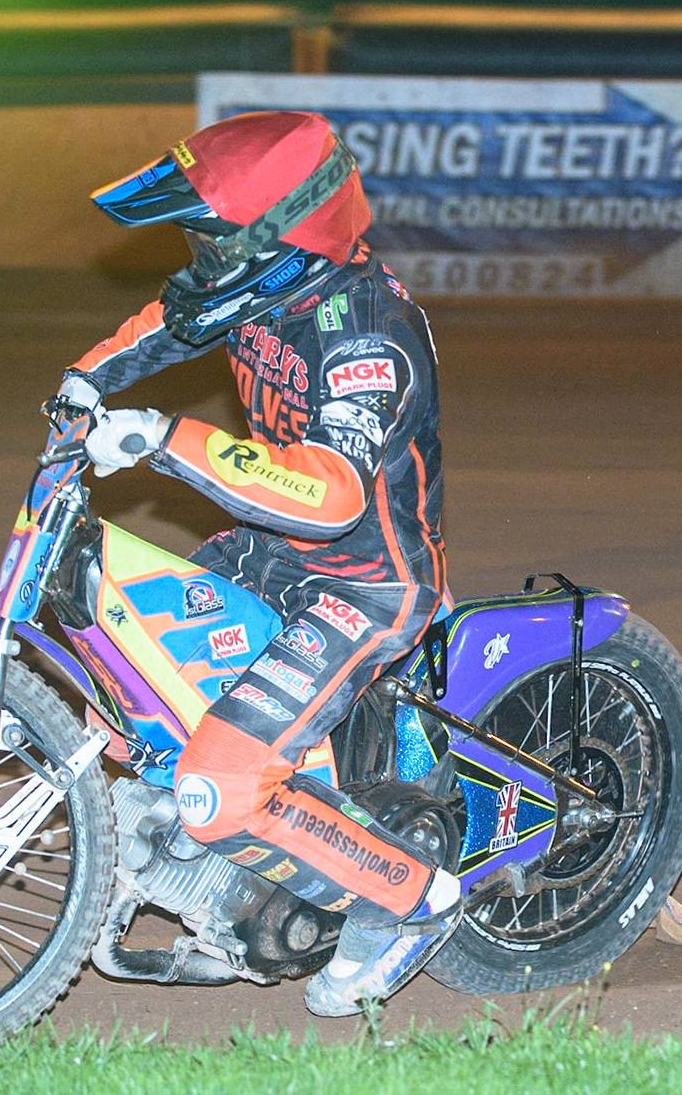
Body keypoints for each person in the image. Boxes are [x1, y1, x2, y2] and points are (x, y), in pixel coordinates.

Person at [53, 110, 459, 1016]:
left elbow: (334, 496)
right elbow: (172, 320)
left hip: (363, 582)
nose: (199, 254)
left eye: (213, 237)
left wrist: (166, 437)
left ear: (279, 241)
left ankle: (410, 904)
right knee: (127, 690)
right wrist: (87, 380)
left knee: (217, 786)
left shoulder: (367, 338)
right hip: (268, 550)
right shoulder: (260, 289)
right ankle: (233, 854)